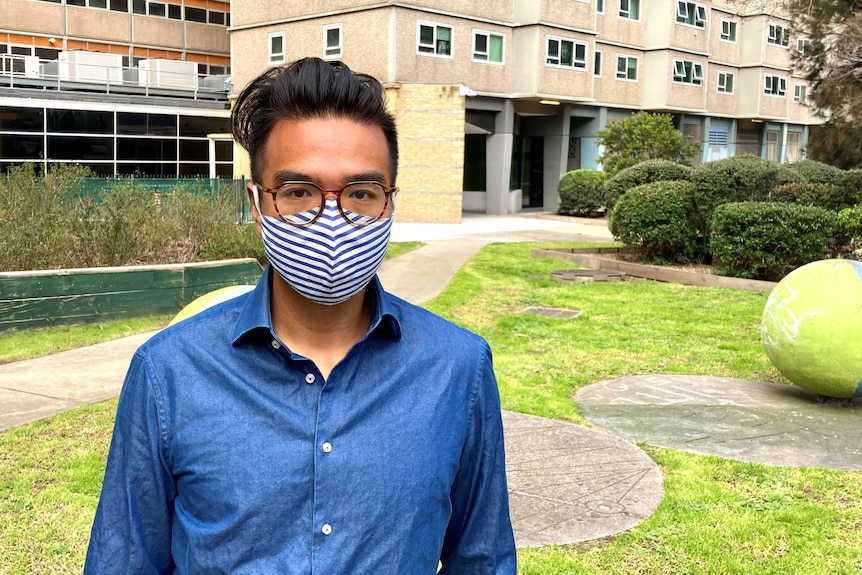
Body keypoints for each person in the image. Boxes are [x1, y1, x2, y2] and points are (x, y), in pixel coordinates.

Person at [84, 57, 516, 574]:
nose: (330, 218)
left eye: (361, 193)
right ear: (257, 201)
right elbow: (124, 560)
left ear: (390, 203)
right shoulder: (168, 371)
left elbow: (482, 558)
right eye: (297, 192)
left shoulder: (459, 368)